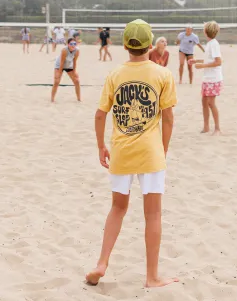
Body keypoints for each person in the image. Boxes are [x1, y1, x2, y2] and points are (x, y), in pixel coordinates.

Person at [85, 19, 179, 288]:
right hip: (151, 153)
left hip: (122, 152)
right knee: (153, 215)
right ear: (151, 45)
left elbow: (100, 114)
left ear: (125, 45)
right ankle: (151, 277)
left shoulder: (115, 74)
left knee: (117, 208)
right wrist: (164, 149)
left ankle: (102, 263)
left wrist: (100, 146)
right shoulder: (162, 74)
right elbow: (169, 118)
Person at [188, 21, 223, 135]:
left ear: (205, 31)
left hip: (214, 79)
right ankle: (206, 127)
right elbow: (209, 60)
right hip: (207, 78)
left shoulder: (214, 44)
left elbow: (218, 62)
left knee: (211, 103)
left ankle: (217, 128)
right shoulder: (209, 44)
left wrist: (202, 65)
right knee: (204, 102)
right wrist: (196, 61)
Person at [51, 37, 81, 103]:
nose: (73, 45)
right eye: (71, 44)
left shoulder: (77, 51)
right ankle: (52, 99)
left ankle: (79, 99)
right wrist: (59, 72)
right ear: (68, 44)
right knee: (56, 81)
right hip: (59, 65)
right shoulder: (64, 50)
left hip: (69, 66)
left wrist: (74, 71)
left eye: (74, 43)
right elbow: (62, 62)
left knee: (77, 81)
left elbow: (75, 61)